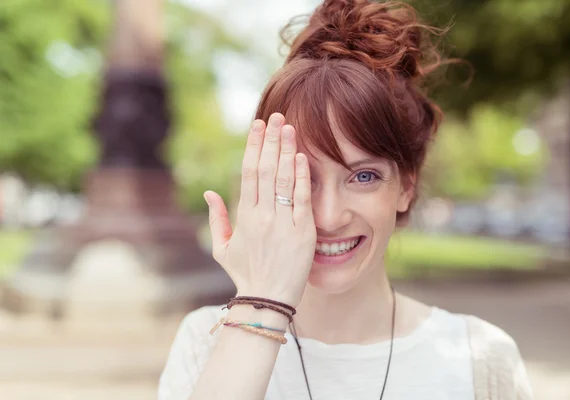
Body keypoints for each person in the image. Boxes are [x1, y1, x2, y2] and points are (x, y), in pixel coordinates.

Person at [158, 0, 533, 399]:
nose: (329, 216)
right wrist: (261, 302)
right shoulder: (208, 343)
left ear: (406, 185)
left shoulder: (481, 359)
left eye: (364, 176)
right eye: (304, 176)